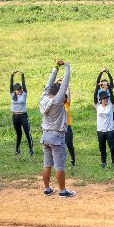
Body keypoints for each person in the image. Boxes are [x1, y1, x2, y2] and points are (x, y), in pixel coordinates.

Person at [40, 60, 75, 197]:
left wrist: (55, 68)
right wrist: (67, 66)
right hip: (56, 136)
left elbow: (48, 85)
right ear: (58, 92)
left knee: (47, 164)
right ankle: (62, 191)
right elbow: (65, 82)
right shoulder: (58, 100)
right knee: (59, 166)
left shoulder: (43, 99)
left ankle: (47, 189)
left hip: (46, 135)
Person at [10, 71, 34, 156]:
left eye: (20, 88)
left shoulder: (24, 94)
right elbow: (11, 85)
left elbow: (24, 85)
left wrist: (22, 75)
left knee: (27, 132)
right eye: (18, 89)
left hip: (23, 116)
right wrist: (12, 75)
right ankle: (17, 150)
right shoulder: (12, 95)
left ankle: (31, 149)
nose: (20, 90)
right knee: (18, 134)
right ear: (15, 90)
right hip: (15, 116)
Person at [95, 89, 114, 169]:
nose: (106, 99)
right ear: (100, 99)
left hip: (110, 130)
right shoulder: (98, 106)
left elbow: (112, 96)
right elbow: (94, 96)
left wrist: (109, 86)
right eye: (104, 98)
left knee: (112, 148)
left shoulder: (110, 105)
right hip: (100, 131)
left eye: (107, 98)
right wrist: (97, 86)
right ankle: (103, 162)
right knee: (102, 148)